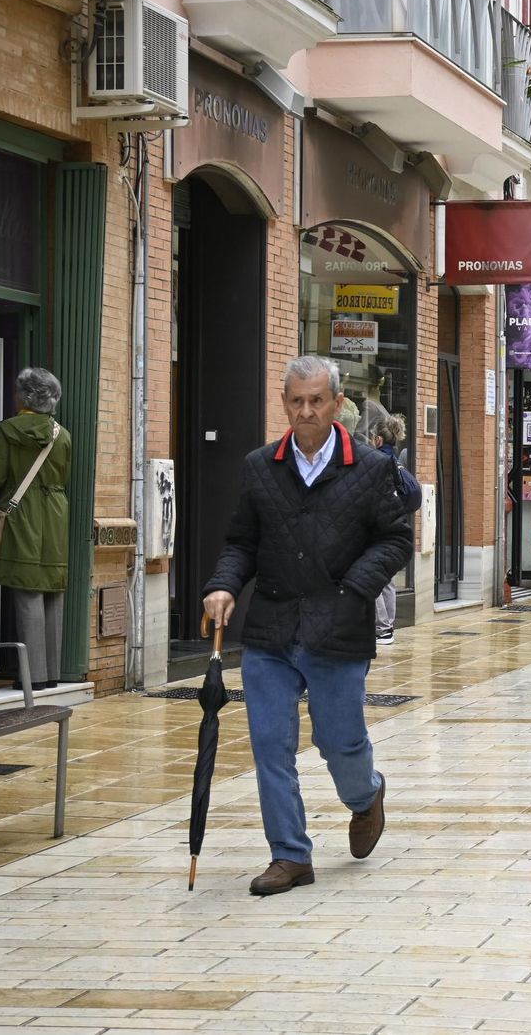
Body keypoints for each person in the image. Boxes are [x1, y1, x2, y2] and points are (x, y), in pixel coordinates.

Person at [203, 355, 413, 896]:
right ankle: (291, 855)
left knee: (339, 742)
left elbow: (395, 540)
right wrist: (222, 586)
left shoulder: (371, 467)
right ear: (284, 404)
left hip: (338, 626)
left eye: (317, 400)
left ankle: (366, 795)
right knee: (270, 744)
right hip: (271, 628)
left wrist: (353, 591)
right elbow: (241, 542)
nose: (306, 411)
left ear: (338, 404)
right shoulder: (260, 466)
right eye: (296, 401)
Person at [0, 368, 72, 690]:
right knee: (51, 590)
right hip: (56, 515)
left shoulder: (7, 431)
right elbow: (64, 476)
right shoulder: (62, 434)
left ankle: (32, 677)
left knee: (27, 590)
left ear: (24, 396)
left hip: (22, 513)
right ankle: (51, 674)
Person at [371, 415, 408, 645]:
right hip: (395, 524)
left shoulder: (375, 461)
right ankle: (388, 626)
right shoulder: (395, 459)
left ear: (377, 439)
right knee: (388, 577)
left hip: (378, 525)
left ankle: (382, 628)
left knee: (372, 575)